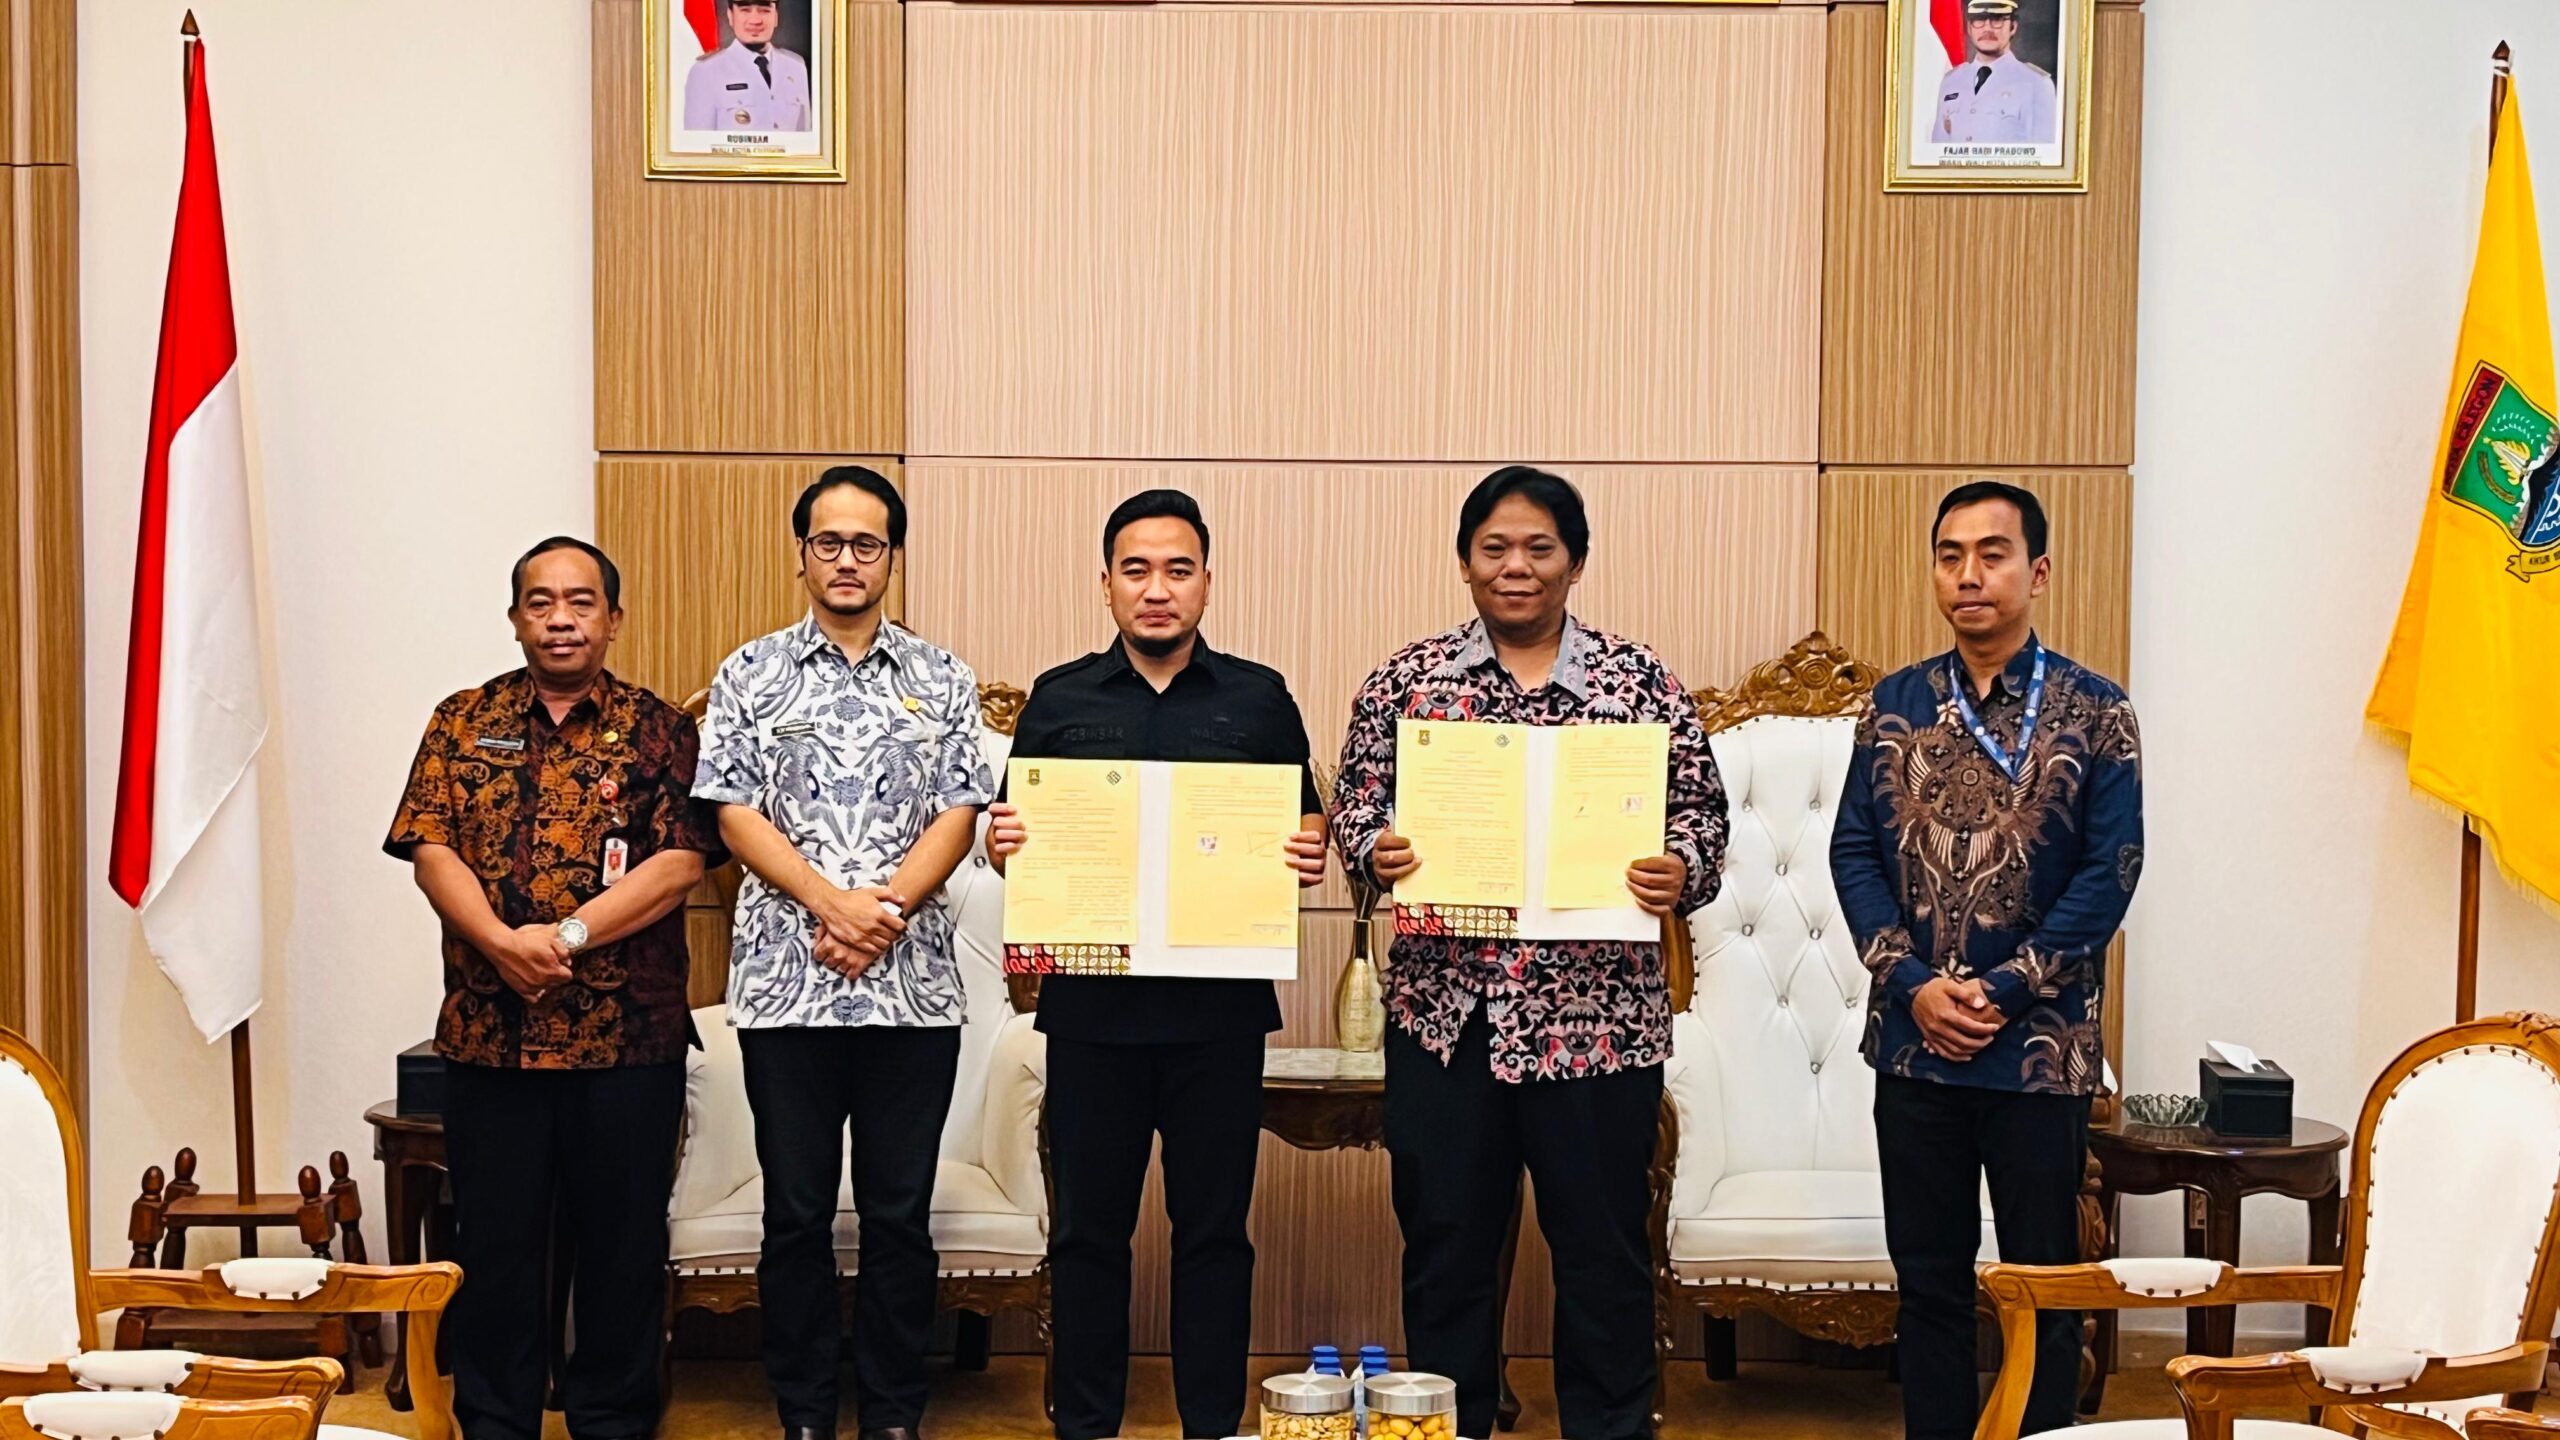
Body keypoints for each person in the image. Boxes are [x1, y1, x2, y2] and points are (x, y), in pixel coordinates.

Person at [1331, 466, 1728, 1440]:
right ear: (1465, 563)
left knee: (1602, 1255)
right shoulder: (1408, 681)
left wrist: (1678, 867)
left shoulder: (1640, 682)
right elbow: (1354, 808)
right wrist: (1376, 850)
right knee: (1446, 1251)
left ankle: (1610, 1428)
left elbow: (1702, 816)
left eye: (1539, 548)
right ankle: (1448, 1426)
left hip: (1599, 1025)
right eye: (1495, 548)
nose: (1517, 566)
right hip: (1446, 1020)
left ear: (1574, 563)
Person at [984, 490, 1327, 1440]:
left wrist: (1307, 845)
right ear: (1106, 585)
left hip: (1218, 1016)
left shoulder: (1259, 697)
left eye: (1178, 569)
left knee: (1213, 1234)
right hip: (1091, 1014)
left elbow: (1306, 817)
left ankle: (1212, 1423)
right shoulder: (1060, 699)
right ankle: (1086, 1423)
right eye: (1136, 570)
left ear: (1208, 582)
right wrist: (1004, 845)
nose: (1158, 588)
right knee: (1088, 1234)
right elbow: (1015, 838)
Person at [384, 536, 721, 1440]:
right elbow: (430, 848)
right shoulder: (462, 720)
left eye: (581, 602)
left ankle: (613, 1421)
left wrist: (564, 938)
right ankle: (496, 1423)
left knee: (622, 1252)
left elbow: (680, 863)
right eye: (541, 602)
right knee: (495, 1252)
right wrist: (501, 945)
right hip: (491, 1040)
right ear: (515, 618)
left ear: (614, 618)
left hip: (626, 1043)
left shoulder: (661, 730)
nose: (561, 619)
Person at [1832, 480, 2143, 1440]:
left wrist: (2005, 990)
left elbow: (2112, 870)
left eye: (1992, 554)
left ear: (2037, 573)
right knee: (1927, 1284)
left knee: (2043, 1289)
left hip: (2039, 1052)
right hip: (1915, 1045)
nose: (1968, 574)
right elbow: (1853, 852)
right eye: (1950, 555)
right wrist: (1913, 985)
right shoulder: (1893, 705)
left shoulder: (2098, 710)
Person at [692, 467, 993, 1440]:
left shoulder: (941, 676)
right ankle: (806, 1410)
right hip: (786, 987)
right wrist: (831, 903)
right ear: (802, 555)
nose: (848, 560)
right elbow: (731, 811)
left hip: (913, 990)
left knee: (901, 1214)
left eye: (867, 544)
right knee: (796, 1212)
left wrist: (885, 909)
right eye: (830, 543)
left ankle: (895, 1411)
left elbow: (960, 811)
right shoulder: (748, 673)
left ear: (891, 557)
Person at [1934, 0, 2058, 145]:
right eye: (1979, 19)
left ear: (2013, 27)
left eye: (1997, 19)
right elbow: (1938, 151)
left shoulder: (2037, 84)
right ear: (1969, 28)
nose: (1987, 28)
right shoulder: (1951, 81)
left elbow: (2043, 154)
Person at [683, 0, 813, 132]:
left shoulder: (796, 67)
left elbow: (804, 138)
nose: (755, 21)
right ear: (730, 16)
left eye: (765, 10)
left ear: (776, 16)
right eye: (745, 10)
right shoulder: (705, 72)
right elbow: (699, 141)